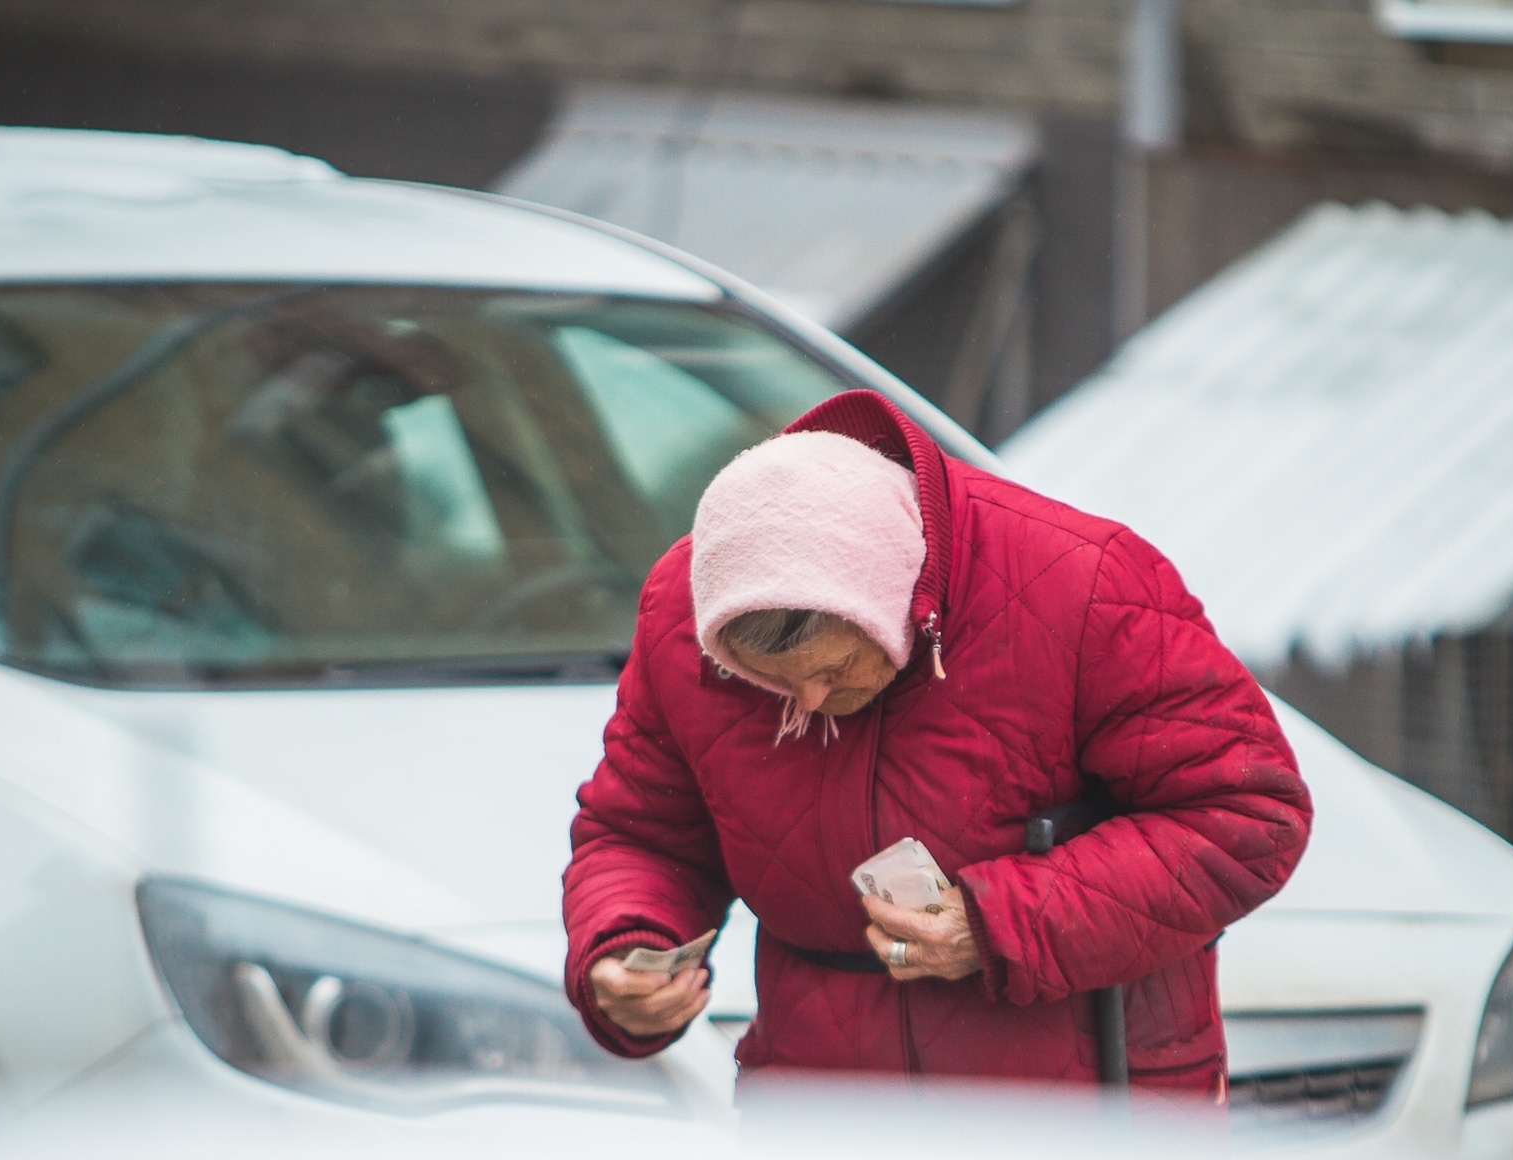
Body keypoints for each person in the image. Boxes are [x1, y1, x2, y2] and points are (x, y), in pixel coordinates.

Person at [562, 390, 1311, 1100]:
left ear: (896, 602)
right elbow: (643, 833)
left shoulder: (1084, 583)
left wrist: (1000, 923)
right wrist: (625, 948)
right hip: (828, 1130)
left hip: (1085, 1126)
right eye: (774, 683)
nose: (812, 703)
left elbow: (1249, 813)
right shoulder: (677, 614)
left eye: (833, 669)